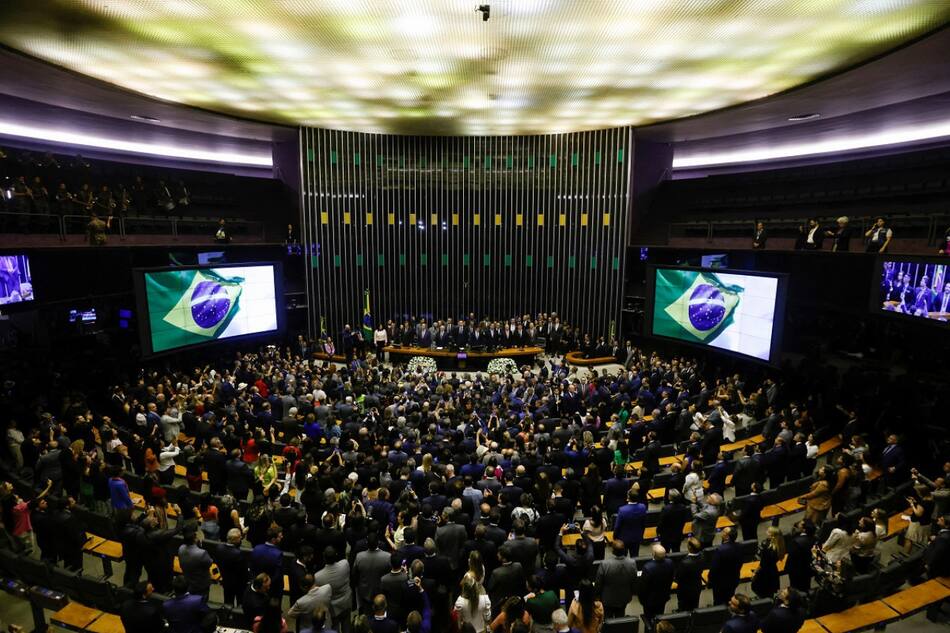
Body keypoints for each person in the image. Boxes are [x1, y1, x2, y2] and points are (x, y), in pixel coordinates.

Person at [594, 539, 637, 618]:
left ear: (613, 551)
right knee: (620, 617)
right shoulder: (632, 563)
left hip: (607, 599)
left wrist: (597, 596)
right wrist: (632, 593)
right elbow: (634, 580)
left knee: (607, 619)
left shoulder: (605, 564)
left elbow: (598, 583)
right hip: (624, 597)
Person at [638, 544, 674, 624]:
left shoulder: (647, 568)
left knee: (648, 619)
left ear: (653, 554)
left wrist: (642, 600)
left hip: (649, 600)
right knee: (660, 616)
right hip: (663, 596)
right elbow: (671, 579)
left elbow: (643, 587)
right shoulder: (670, 563)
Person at [708, 527, 743, 605]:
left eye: (723, 531)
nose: (721, 531)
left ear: (727, 537)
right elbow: (740, 562)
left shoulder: (720, 550)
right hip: (734, 579)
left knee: (718, 601)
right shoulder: (740, 547)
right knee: (729, 599)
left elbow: (714, 568)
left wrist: (710, 580)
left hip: (720, 583)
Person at [177, 528, 213, 599]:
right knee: (202, 601)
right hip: (201, 583)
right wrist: (199, 547)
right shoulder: (202, 553)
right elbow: (210, 563)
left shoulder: (181, 548)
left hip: (188, 580)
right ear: (194, 539)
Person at [751, 527, 785, 599]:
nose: (766, 532)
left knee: (759, 589)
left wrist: (755, 572)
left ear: (772, 535)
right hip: (773, 571)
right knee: (770, 592)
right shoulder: (780, 544)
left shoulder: (766, 545)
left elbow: (763, 563)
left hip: (764, 573)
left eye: (768, 532)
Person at [613, 487, 647, 557]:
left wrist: (615, 536)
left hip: (623, 538)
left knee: (623, 557)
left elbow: (617, 526)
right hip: (637, 537)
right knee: (635, 556)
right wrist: (641, 534)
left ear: (628, 497)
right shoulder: (643, 507)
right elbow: (643, 523)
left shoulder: (622, 510)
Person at [675, 538, 705, 612]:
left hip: (685, 588)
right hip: (697, 585)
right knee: (694, 604)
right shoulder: (702, 556)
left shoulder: (685, 563)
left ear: (690, 547)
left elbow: (679, 576)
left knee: (683, 606)